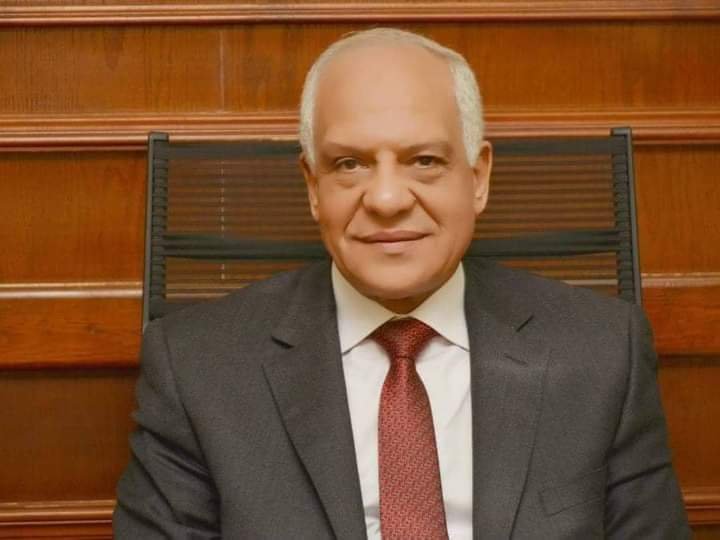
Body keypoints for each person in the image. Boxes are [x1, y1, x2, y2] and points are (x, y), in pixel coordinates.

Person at [114, 28, 690, 539]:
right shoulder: (196, 368)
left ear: (478, 177)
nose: (387, 199)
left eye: (424, 161)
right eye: (349, 164)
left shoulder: (603, 353)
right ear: (313, 187)